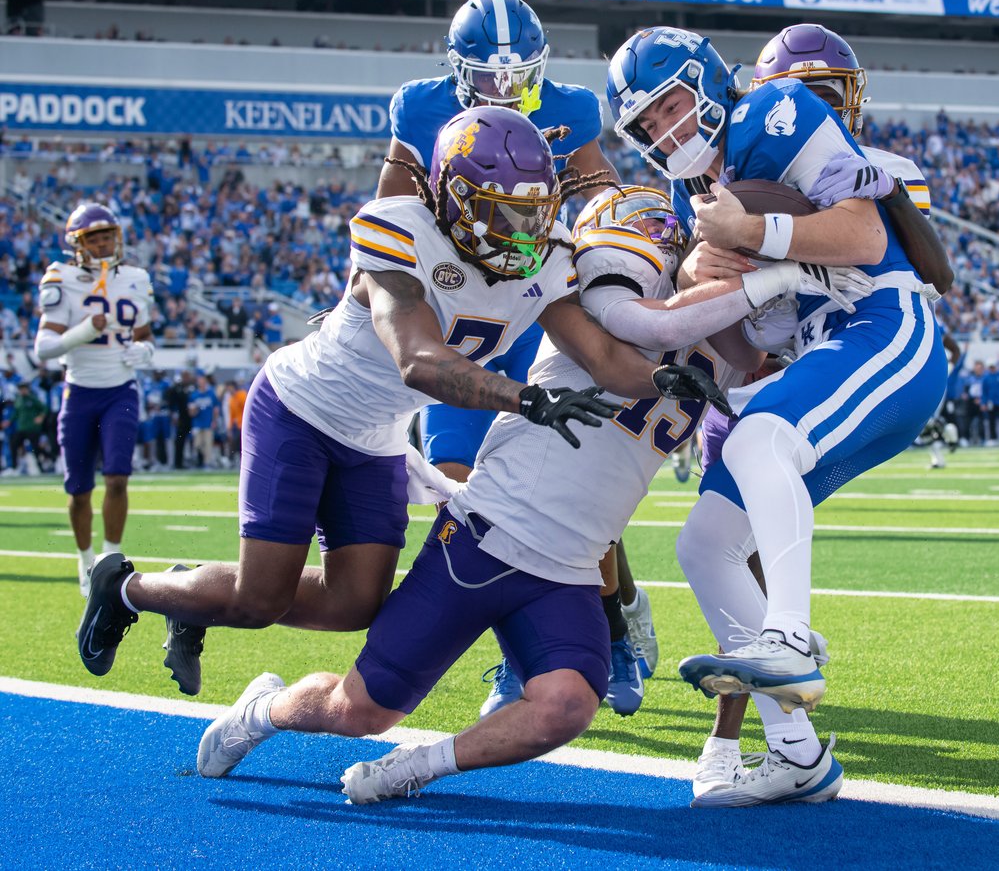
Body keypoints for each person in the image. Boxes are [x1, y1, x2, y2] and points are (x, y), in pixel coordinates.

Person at [75, 107, 724, 699]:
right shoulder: (399, 229)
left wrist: (662, 378)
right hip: (302, 410)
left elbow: (602, 355)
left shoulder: (545, 256)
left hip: (376, 437)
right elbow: (419, 359)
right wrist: (525, 398)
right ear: (457, 198)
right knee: (259, 599)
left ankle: (190, 592)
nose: (524, 231)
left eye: (533, 211)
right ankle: (127, 588)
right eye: (503, 212)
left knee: (353, 605)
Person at [190, 186, 810, 804]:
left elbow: (767, 360)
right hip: (485, 538)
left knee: (568, 704)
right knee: (358, 711)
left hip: (570, 567)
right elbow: (639, 328)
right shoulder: (605, 301)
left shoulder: (735, 347)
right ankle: (261, 710)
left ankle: (414, 767)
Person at [607, 26, 948, 805]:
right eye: (647, 124)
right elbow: (748, 347)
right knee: (704, 544)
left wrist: (751, 233)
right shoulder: (691, 191)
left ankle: (788, 635)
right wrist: (700, 276)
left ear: (706, 85)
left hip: (881, 325)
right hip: (814, 349)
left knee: (761, 438)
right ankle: (796, 752)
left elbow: (865, 234)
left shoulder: (773, 112)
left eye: (671, 107)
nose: (664, 131)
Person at [375, 0, 639, 714]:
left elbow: (605, 201)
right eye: (487, 76)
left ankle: (614, 629)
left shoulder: (571, 110)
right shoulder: (420, 109)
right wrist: (365, 296)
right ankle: (516, 655)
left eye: (516, 75)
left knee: (574, 491)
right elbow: (389, 211)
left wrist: (618, 273)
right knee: (461, 488)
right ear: (455, 71)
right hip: (461, 309)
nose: (502, 89)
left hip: (535, 306)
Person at [33, 203, 155, 596]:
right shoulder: (61, 277)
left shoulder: (136, 277)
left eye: (107, 237)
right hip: (80, 390)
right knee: (78, 489)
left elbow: (145, 335)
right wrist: (83, 331)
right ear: (77, 244)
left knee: (117, 479)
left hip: (121, 389)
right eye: (94, 238)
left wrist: (145, 351)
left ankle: (110, 560)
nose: (102, 244)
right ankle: (85, 559)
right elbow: (43, 347)